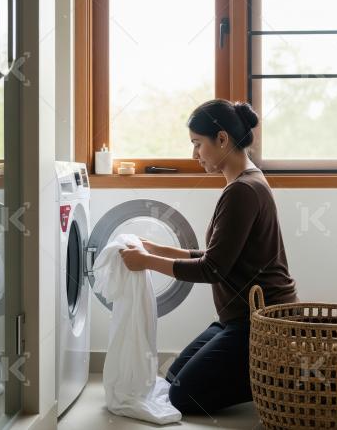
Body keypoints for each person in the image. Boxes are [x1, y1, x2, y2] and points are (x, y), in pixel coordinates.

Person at [118, 99, 299, 414]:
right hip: (237, 320)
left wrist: (146, 262)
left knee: (183, 396)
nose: (194, 155)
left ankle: (281, 377)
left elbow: (212, 269)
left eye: (197, 144)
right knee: (174, 375)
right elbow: (218, 255)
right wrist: (156, 249)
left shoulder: (242, 191)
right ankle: (264, 369)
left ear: (223, 140)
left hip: (262, 322)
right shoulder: (246, 183)